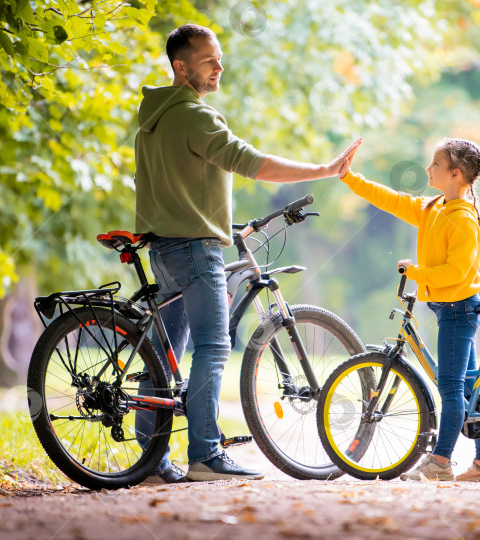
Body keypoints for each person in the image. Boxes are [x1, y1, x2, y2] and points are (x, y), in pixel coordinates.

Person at [133, 23, 361, 483]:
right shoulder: (195, 116)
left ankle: (151, 461)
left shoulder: (153, 122)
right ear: (181, 67)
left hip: (163, 248)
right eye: (208, 60)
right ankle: (206, 455)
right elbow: (250, 162)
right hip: (196, 251)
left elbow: (181, 189)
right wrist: (323, 168)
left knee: (162, 353)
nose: (220, 67)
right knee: (214, 347)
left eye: (219, 58)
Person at [339, 138, 480, 482]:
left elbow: (456, 272)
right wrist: (350, 178)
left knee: (451, 389)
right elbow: (392, 201)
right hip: (449, 308)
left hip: (459, 309)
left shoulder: (464, 219)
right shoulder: (435, 207)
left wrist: (414, 273)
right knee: (469, 390)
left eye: (436, 165)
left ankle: (440, 463)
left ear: (455, 174)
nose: (428, 170)